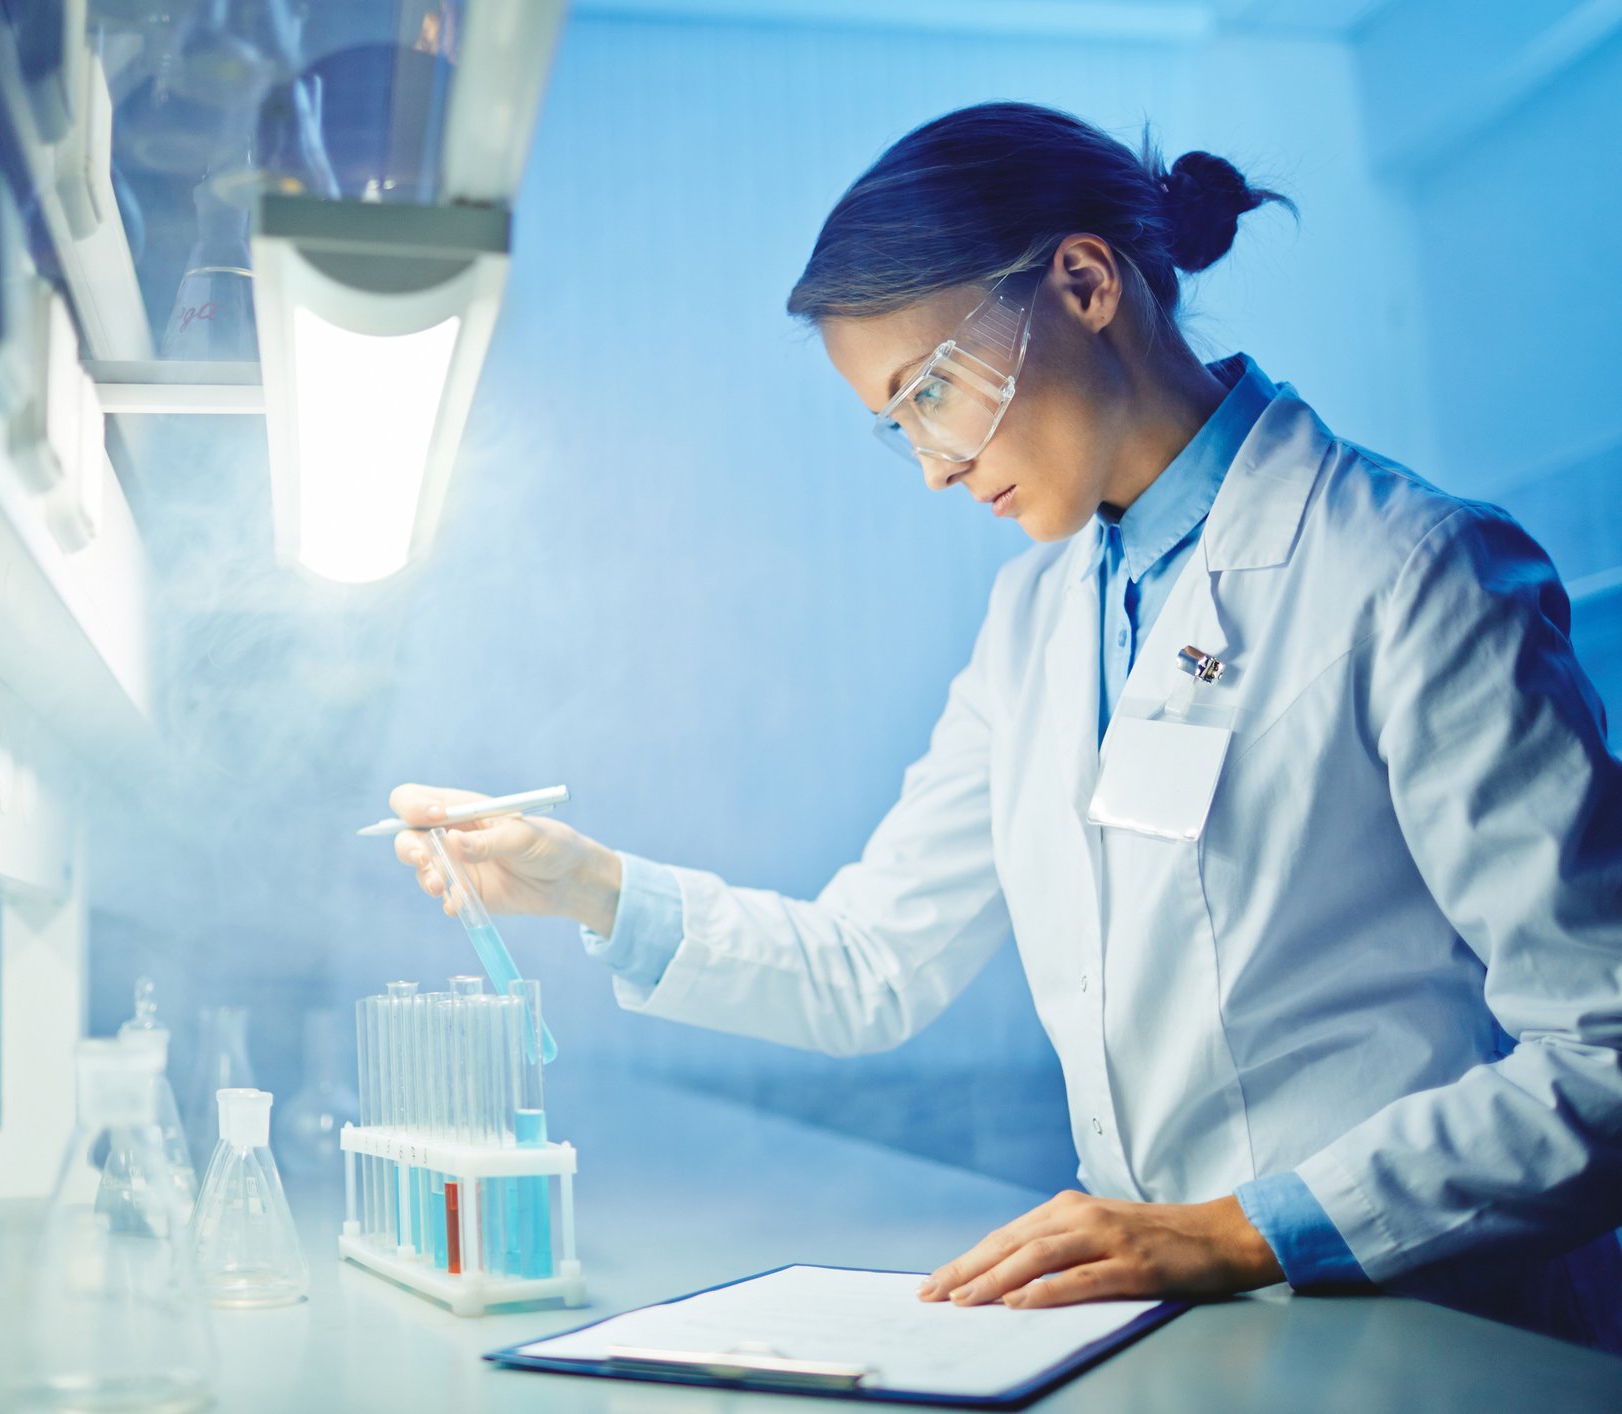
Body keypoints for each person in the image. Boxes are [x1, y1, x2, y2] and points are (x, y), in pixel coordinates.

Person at [386, 101, 1622, 1350]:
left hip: (1446, 1332)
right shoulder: (1039, 618)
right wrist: (591, 886)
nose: (930, 463)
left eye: (931, 390)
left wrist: (1239, 1230)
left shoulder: (1408, 569)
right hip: (1198, 1340)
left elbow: (1605, 1051)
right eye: (895, 424)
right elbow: (872, 961)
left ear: (1085, 283)